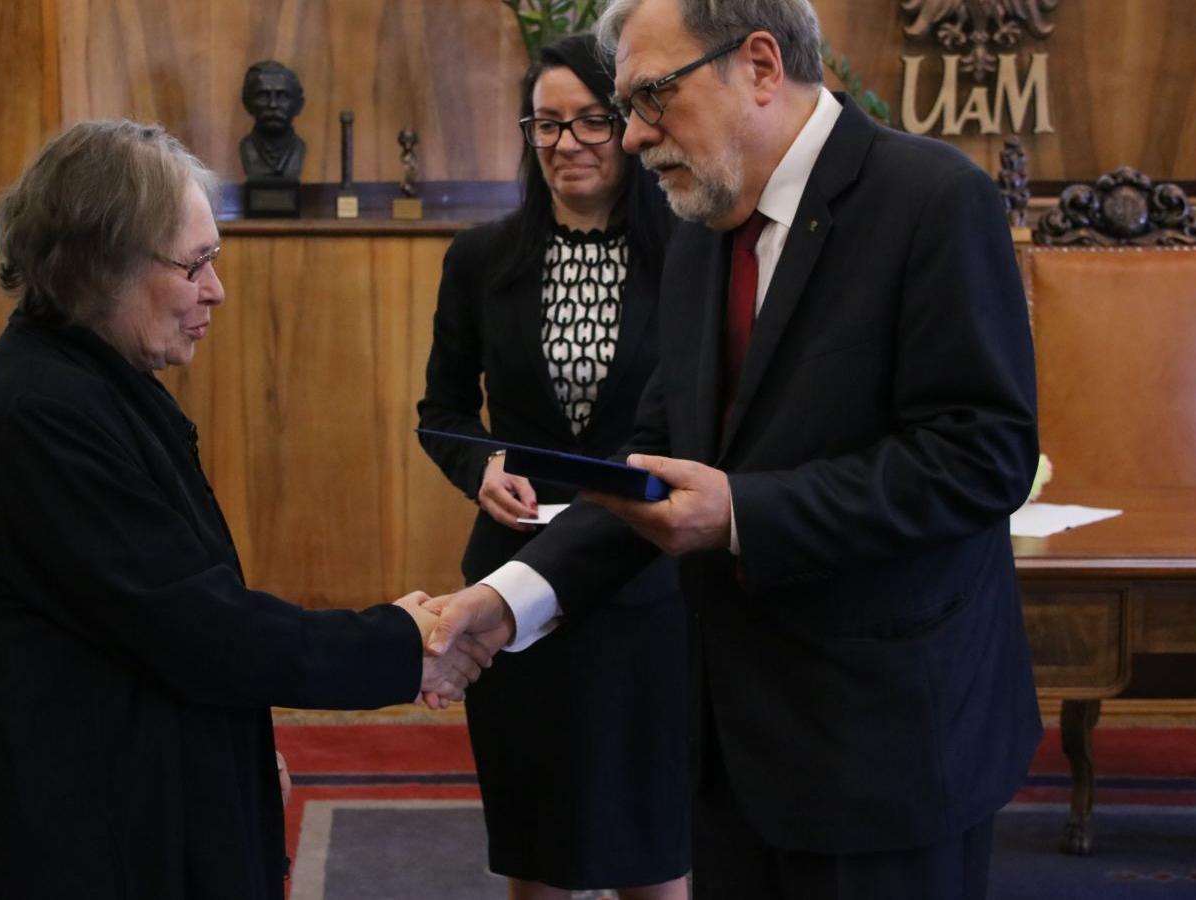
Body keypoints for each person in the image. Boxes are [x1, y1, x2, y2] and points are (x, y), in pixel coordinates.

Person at [424, 0, 1042, 897]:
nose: (631, 137)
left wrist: (745, 513)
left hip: (887, 747)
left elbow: (984, 456)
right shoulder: (704, 231)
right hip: (725, 751)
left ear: (759, 65)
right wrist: (505, 601)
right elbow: (654, 467)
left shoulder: (933, 201)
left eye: (649, 98)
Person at [0, 119, 487, 900]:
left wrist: (239, 757)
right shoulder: (41, 416)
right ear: (100, 266)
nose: (216, 288)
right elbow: (196, 625)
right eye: (196, 264)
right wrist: (403, 642)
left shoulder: (93, 381)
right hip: (58, 844)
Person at [417, 34, 688, 900]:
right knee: (540, 848)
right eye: (545, 124)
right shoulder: (481, 258)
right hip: (512, 577)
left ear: (631, 125)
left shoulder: (691, 254)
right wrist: (481, 465)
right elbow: (443, 413)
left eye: (590, 122)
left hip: (646, 587)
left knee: (656, 850)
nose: (566, 143)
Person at [239, 60, 306, 181]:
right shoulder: (247, 148)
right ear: (247, 103)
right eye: (263, 96)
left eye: (283, 96)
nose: (273, 104)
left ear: (299, 105)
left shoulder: (299, 149)